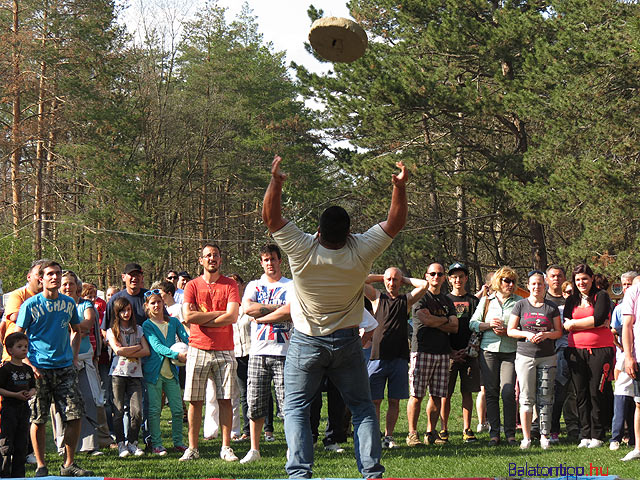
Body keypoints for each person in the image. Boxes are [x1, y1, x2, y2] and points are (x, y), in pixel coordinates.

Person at [263, 154, 408, 479]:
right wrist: (399, 188)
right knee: (361, 408)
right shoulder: (361, 250)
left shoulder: (303, 249)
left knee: (296, 409)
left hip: (306, 343)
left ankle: (299, 473)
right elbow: (395, 224)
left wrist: (276, 183)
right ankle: (371, 473)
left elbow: (271, 219)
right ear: (349, 232)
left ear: (317, 231)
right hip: (346, 343)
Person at [16, 260, 92, 477]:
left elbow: (76, 330)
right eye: (50, 274)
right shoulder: (30, 305)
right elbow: (17, 336)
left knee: (74, 415)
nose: (55, 277)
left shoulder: (69, 303)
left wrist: (74, 356)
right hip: (38, 368)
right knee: (38, 418)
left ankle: (69, 464)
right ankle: (41, 465)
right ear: (41, 279)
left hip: (65, 368)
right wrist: (28, 363)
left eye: (58, 273)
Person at [181, 245, 240, 462]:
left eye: (215, 255)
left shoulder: (230, 284)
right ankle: (193, 448)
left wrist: (202, 316)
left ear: (220, 259)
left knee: (225, 399)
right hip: (197, 347)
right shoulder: (192, 285)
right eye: (208, 256)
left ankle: (226, 447)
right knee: (194, 400)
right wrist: (218, 315)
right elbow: (187, 316)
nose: (211, 258)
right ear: (201, 260)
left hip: (225, 349)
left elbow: (232, 316)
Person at [363, 267, 428, 449]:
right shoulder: (377, 298)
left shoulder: (405, 300)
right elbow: (361, 280)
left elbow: (424, 284)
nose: (392, 283)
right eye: (389, 279)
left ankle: (388, 437)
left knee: (394, 400)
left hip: (399, 357)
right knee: (375, 400)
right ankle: (375, 436)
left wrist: (404, 279)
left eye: (395, 280)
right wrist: (383, 276)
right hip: (377, 357)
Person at [239, 244, 292, 464]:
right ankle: (254, 449)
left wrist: (261, 314)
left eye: (273, 259)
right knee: (255, 403)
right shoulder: (254, 285)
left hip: (284, 352)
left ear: (280, 261)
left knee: (288, 405)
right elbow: (247, 309)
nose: (269, 263)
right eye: (265, 259)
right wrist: (276, 311)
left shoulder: (291, 285)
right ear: (261, 263)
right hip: (258, 353)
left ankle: (292, 447)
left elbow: (291, 311)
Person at [56, 271, 112, 455]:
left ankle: (89, 445)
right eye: (64, 284)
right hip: (59, 360)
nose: (67, 287)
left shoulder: (85, 305)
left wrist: (71, 327)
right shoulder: (54, 306)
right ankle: (62, 445)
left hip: (83, 358)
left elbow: (88, 324)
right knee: (60, 404)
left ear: (77, 287)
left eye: (71, 284)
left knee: (89, 399)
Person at [507, 270, 562, 449]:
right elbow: (511, 330)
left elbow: (558, 332)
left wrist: (546, 334)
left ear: (545, 286)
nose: (537, 287)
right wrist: (526, 334)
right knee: (526, 397)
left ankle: (544, 436)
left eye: (540, 284)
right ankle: (527, 437)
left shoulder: (551, 307)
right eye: (533, 284)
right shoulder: (520, 305)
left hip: (547, 357)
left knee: (546, 397)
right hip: (525, 356)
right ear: (529, 286)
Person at [406, 262, 458, 446]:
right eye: (433, 274)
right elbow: (424, 320)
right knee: (417, 395)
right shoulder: (420, 297)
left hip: (443, 353)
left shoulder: (448, 301)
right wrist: (444, 320)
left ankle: (431, 432)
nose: (436, 277)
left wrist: (437, 321)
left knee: (437, 396)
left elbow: (455, 326)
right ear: (426, 276)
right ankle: (412, 434)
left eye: (440, 274)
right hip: (422, 351)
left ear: (444, 278)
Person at [469, 266, 522, 446]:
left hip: (510, 351)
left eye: (513, 281)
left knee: (508, 392)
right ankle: (494, 433)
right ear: (498, 282)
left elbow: (524, 328)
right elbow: (473, 324)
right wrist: (489, 324)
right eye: (506, 280)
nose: (510, 284)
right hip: (488, 350)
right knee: (490, 392)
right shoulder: (486, 301)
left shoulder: (520, 302)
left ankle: (510, 434)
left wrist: (508, 331)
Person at [563, 264, 614, 448]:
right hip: (576, 350)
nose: (581, 282)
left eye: (585, 278)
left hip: (600, 350)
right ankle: (585, 434)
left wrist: (576, 324)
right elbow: (565, 324)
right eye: (577, 279)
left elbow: (599, 318)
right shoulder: (571, 300)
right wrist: (591, 323)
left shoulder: (601, 296)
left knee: (596, 391)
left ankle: (597, 435)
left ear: (592, 279)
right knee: (581, 393)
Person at [142, 290, 189, 456]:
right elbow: (157, 347)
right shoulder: (147, 325)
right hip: (154, 373)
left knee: (177, 410)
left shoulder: (174, 322)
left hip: (171, 373)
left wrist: (192, 350)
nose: (156, 305)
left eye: (158, 302)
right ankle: (157, 444)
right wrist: (178, 355)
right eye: (152, 303)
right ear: (147, 306)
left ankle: (178, 442)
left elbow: (186, 338)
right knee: (155, 410)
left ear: (163, 303)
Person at [441, 262, 480, 443]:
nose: (458, 280)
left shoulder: (474, 301)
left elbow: (477, 328)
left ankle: (467, 429)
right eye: (454, 277)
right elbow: (440, 328)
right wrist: (450, 351)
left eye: (461, 276)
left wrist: (469, 349)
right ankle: (443, 429)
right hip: (448, 354)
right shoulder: (443, 300)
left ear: (466, 278)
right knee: (445, 394)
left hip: (469, 354)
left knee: (467, 392)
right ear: (449, 280)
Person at [106, 297, 150, 458]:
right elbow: (117, 351)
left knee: (137, 411)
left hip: (135, 375)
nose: (126, 313)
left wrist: (128, 349)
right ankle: (120, 444)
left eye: (129, 310)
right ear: (117, 313)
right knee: (118, 411)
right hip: (118, 374)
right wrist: (136, 347)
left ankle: (132, 442)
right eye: (123, 310)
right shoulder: (112, 330)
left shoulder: (138, 329)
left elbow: (146, 351)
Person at [610, 271, 639, 451]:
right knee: (622, 393)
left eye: (629, 284)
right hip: (626, 354)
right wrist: (623, 351)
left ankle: (634, 438)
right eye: (624, 285)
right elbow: (613, 332)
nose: (627, 288)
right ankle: (616, 436)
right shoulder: (619, 308)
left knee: (636, 399)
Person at [0, 332, 35, 478]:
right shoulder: (5, 369)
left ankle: (19, 475)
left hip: (24, 409)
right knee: (7, 443)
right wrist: (15, 395)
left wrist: (31, 393)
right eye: (19, 346)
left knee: (22, 442)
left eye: (26, 346)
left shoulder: (27, 369)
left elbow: (33, 386)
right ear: (9, 350)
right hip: (9, 409)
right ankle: (4, 473)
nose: (24, 349)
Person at [1, 260, 45, 362]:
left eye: (44, 275)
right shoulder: (18, 295)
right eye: (39, 274)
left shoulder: (52, 299)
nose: (41, 278)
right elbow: (15, 317)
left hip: (40, 356)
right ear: (29, 277)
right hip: (15, 356)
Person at [621, 277, 640, 461]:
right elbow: (627, 326)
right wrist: (629, 356)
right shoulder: (635, 290)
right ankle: (638, 448)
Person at [103, 263, 148, 331]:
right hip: (121, 341)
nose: (135, 278)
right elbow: (105, 328)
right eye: (132, 275)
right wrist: (112, 341)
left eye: (137, 275)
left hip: (148, 340)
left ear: (142, 278)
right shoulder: (115, 300)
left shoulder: (150, 297)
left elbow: (164, 320)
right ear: (123, 277)